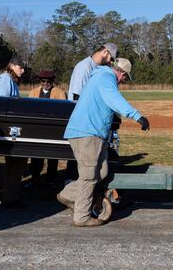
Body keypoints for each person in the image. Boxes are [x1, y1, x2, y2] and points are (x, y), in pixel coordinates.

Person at [57, 58, 150, 227]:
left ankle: (68, 195)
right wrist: (138, 116)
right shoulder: (106, 78)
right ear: (121, 73)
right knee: (89, 176)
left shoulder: (100, 77)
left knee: (102, 171)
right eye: (125, 78)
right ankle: (82, 217)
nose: (123, 81)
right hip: (87, 133)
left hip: (92, 134)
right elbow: (114, 99)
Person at [64, 43, 118, 183]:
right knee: (80, 159)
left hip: (91, 119)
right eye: (111, 58)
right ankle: (70, 185)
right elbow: (77, 96)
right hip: (81, 119)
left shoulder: (98, 68)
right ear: (105, 52)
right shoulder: (84, 67)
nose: (111, 62)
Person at [0, 55, 27, 208]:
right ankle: (10, 198)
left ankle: (10, 196)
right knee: (16, 162)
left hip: (13, 128)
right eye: (20, 67)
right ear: (12, 65)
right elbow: (1, 103)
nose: (22, 70)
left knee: (15, 163)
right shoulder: (6, 79)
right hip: (11, 129)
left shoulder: (11, 80)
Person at [27, 69, 67, 186]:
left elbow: (63, 111)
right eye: (43, 81)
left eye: (48, 81)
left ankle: (51, 180)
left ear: (52, 81)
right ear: (40, 81)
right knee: (36, 157)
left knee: (53, 156)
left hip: (53, 129)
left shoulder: (60, 93)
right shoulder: (33, 93)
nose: (46, 83)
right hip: (37, 129)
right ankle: (34, 179)